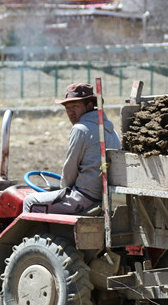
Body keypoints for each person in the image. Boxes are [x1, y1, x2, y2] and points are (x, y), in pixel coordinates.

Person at [23, 82, 121, 214]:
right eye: (67, 108)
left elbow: (70, 168)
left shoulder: (81, 129)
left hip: (85, 197)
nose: (70, 112)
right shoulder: (110, 130)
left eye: (75, 106)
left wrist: (63, 188)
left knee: (29, 201)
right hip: (105, 196)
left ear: (89, 105)